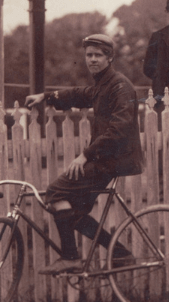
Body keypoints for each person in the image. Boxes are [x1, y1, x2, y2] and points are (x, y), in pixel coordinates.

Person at [24, 34, 145, 275]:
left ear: (109, 58)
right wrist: (46, 97)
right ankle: (121, 254)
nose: (92, 60)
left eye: (98, 55)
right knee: (74, 213)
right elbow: (80, 93)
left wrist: (85, 156)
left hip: (114, 160)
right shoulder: (103, 84)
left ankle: (70, 258)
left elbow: (118, 130)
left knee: (56, 192)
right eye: (89, 55)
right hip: (107, 159)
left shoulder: (120, 86)